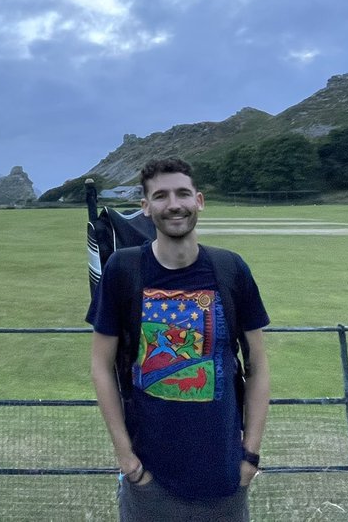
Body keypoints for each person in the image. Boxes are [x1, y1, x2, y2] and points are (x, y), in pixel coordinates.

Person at [90, 157, 270, 522]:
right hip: (150, 481)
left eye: (182, 193)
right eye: (160, 196)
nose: (173, 204)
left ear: (199, 200)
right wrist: (128, 461)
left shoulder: (231, 269)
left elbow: (258, 366)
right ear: (146, 207)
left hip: (224, 477)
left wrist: (249, 456)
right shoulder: (123, 270)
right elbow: (100, 365)